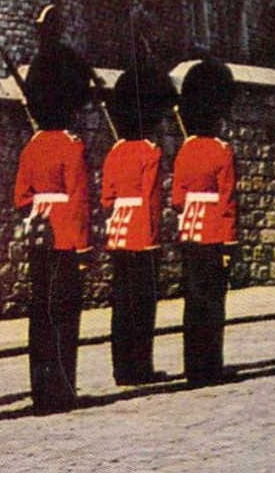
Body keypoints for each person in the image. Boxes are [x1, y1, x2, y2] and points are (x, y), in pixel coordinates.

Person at [13, 14, 95, 414]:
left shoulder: (32, 146)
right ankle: (62, 389)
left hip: (38, 237)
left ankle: (40, 389)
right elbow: (79, 199)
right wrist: (82, 249)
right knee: (64, 317)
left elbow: (20, 197)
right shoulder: (71, 145)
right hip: (64, 239)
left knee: (40, 316)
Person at [100, 64, 176, 385]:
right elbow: (152, 200)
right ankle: (140, 366)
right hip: (142, 233)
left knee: (121, 303)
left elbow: (107, 199)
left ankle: (121, 368)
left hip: (118, 232)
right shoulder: (150, 152)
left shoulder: (115, 152)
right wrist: (153, 239)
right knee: (143, 304)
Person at [172, 58, 238, 387]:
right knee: (212, 304)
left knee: (193, 301)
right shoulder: (222, 151)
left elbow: (176, 198)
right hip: (213, 230)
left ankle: (192, 367)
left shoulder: (185, 150)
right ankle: (210, 366)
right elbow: (227, 200)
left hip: (189, 229)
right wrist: (229, 242)